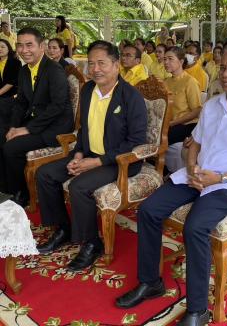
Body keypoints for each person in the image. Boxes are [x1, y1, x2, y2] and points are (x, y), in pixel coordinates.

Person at [115, 45, 227, 326]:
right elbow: (195, 143)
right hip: (197, 176)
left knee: (195, 227)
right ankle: (150, 282)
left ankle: (198, 310)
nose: (225, 74)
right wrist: (191, 167)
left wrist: (220, 178)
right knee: (149, 210)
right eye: (223, 68)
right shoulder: (212, 106)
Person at [36, 40, 147, 271]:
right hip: (88, 153)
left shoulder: (131, 96)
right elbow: (84, 130)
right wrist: (78, 155)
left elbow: (135, 142)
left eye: (102, 63)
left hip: (120, 160)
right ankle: (63, 228)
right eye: (91, 63)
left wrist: (96, 162)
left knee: (79, 186)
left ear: (116, 65)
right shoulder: (88, 90)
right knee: (45, 174)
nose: (95, 69)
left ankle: (92, 243)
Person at [0, 28, 74, 206]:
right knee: (2, 134)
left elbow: (57, 106)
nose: (24, 50)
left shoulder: (54, 70)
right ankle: (5, 188)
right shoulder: (24, 70)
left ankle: (22, 193)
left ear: (41, 47)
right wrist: (13, 127)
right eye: (20, 45)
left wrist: (26, 129)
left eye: (29, 45)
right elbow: (21, 103)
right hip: (36, 121)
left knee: (11, 147)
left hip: (55, 127)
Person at [164, 47, 202, 145]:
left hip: (186, 125)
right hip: (169, 124)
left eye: (170, 59)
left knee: (161, 137)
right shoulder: (166, 82)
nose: (166, 62)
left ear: (181, 61)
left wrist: (172, 123)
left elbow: (196, 111)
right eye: (165, 59)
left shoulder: (190, 81)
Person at [0, 39, 21, 132]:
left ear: (8, 48)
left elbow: (11, 82)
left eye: (2, 47)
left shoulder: (15, 62)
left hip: (11, 96)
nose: (0, 49)